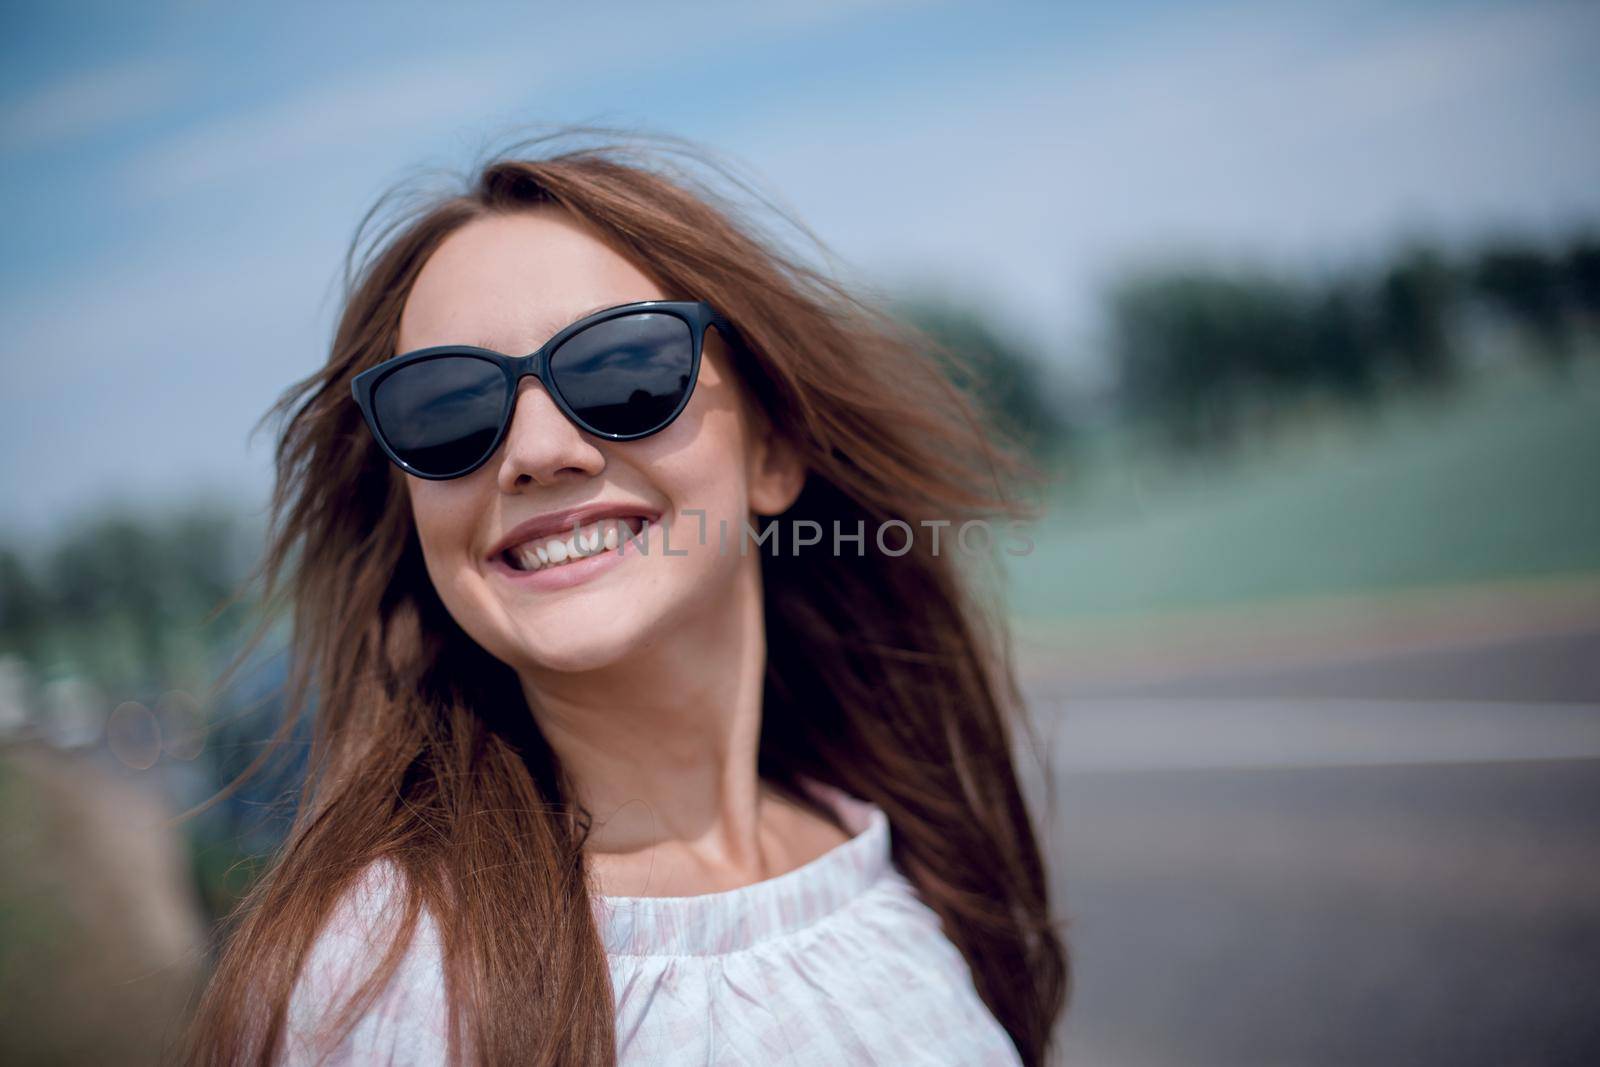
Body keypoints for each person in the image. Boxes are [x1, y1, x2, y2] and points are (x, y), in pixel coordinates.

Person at [183, 130, 1067, 1066]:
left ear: (772, 452)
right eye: (445, 409)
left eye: (623, 368)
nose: (535, 451)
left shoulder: (902, 856)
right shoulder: (383, 977)